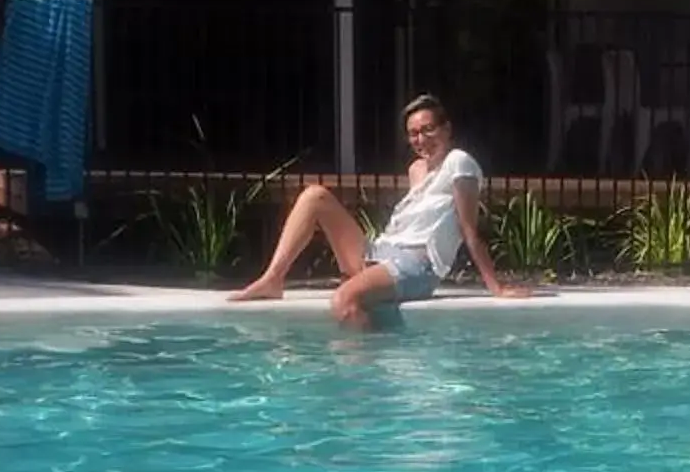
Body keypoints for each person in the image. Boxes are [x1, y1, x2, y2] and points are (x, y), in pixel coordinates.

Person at [226, 95, 533, 321]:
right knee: (315, 195)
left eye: (428, 129)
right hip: (379, 254)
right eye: (413, 133)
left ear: (447, 129)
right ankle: (273, 279)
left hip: (416, 265)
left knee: (344, 299)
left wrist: (497, 288)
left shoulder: (459, 163)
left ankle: (366, 380)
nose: (420, 139)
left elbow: (469, 230)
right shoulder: (417, 170)